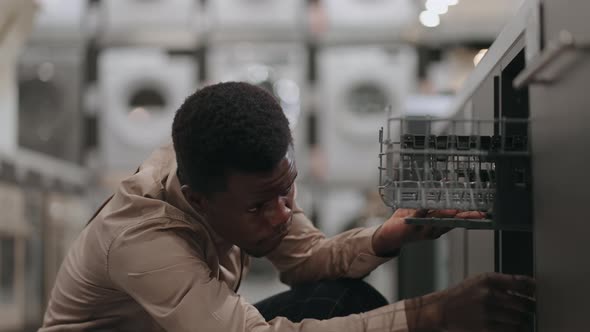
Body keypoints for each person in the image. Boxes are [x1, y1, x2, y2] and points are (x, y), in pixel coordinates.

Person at [40, 82, 534, 332]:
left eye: (287, 191)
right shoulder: (141, 239)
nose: (281, 214)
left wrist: (387, 236)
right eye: (259, 207)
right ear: (198, 201)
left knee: (340, 295)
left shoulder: (231, 171)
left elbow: (305, 260)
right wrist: (435, 312)